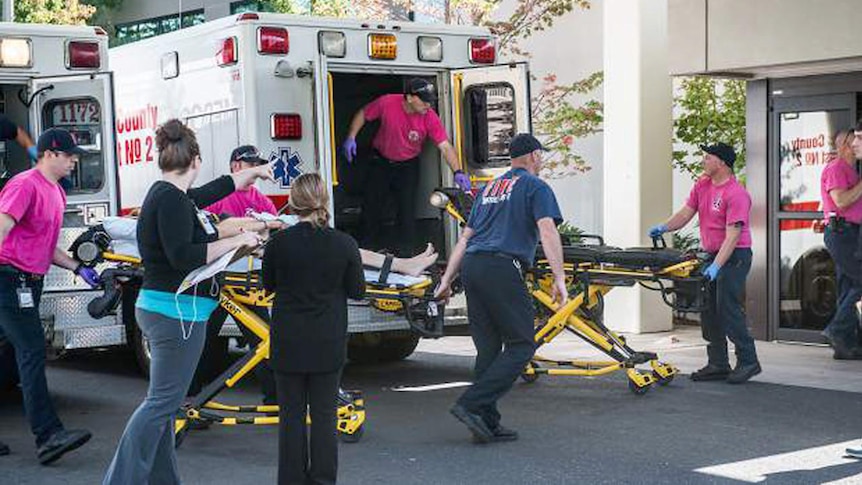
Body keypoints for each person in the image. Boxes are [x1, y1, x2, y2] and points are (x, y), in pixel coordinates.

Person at [102, 119, 272, 484]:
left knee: (164, 405)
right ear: (195, 160)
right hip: (174, 314)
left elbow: (214, 189)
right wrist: (235, 241)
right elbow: (185, 256)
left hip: (171, 311)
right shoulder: (171, 200)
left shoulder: (172, 196)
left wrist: (254, 172)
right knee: (161, 404)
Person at [434, 133, 567, 444]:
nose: (542, 160)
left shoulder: (489, 189)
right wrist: (559, 278)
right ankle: (471, 404)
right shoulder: (536, 187)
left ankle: (486, 421)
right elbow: (547, 231)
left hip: (473, 268)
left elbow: (465, 239)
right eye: (541, 156)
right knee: (522, 345)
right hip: (501, 266)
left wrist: (447, 279)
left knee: (490, 349)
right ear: (534, 156)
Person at [0, 127, 98, 464]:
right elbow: (1, 227)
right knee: (30, 350)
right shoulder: (24, 185)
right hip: (9, 280)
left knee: (8, 359)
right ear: (50, 154)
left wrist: (77, 268)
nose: (74, 161)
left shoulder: (56, 192)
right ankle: (48, 435)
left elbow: (43, 244)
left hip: (31, 282)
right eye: (70, 155)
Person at [262, 173, 365, 485]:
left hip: (288, 340)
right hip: (327, 340)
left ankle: (291, 479)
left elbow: (268, 285)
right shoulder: (344, 243)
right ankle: (322, 480)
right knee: (324, 416)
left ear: (294, 203)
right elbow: (358, 290)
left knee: (291, 417)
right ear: (323, 201)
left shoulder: (278, 243)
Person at [649, 142, 761, 384]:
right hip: (712, 255)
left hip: (735, 256)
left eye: (707, 157)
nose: (703, 161)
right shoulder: (702, 185)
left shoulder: (736, 194)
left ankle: (748, 361)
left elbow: (732, 237)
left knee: (727, 308)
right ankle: (718, 363)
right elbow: (685, 213)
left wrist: (717, 266)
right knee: (709, 310)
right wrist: (663, 227)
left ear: (721, 162)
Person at [188, 145, 280, 405]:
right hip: (218, 278)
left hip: (249, 282)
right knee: (202, 341)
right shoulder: (217, 198)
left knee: (264, 339)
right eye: (252, 165)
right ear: (236, 167)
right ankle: (190, 399)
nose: (256, 171)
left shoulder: (263, 201)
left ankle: (275, 399)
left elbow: (273, 235)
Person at [342, 78, 471, 256]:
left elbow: (445, 146)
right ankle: (364, 252)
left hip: (408, 165)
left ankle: (406, 255)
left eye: (431, 101)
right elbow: (363, 114)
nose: (428, 105)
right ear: (410, 98)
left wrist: (458, 171)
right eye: (424, 100)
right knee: (372, 206)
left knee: (406, 210)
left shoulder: (430, 117)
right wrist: (351, 137)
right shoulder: (387, 103)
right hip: (381, 162)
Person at [819, 129, 862, 360]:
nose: (857, 144)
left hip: (849, 232)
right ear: (844, 145)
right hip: (842, 231)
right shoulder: (836, 168)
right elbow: (841, 200)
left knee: (848, 287)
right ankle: (836, 329)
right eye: (854, 140)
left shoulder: (850, 170)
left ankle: (844, 345)